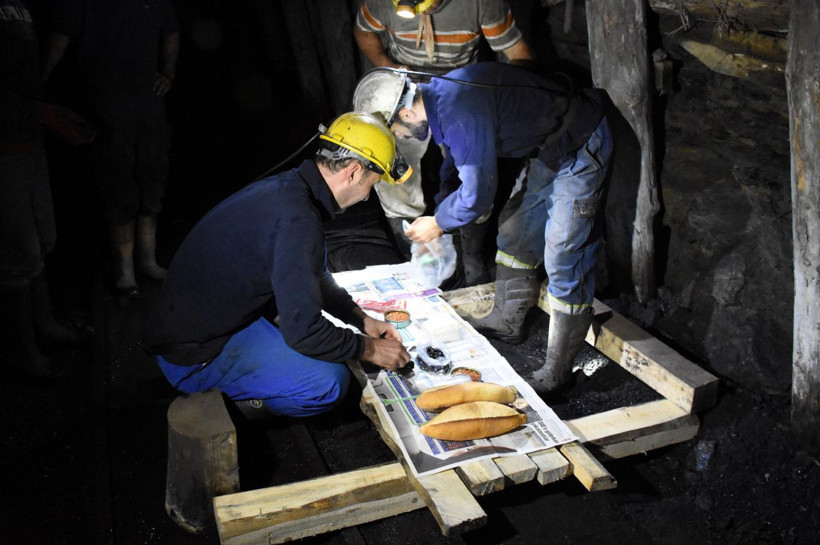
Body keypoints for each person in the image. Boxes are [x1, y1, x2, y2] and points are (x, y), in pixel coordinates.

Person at [353, 62, 613, 396]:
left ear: (404, 112)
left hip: (578, 141)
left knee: (564, 253)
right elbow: (456, 165)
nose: (400, 138)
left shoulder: (459, 113)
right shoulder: (439, 101)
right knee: (514, 232)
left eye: (395, 132)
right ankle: (507, 321)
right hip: (546, 150)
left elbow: (477, 196)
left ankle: (557, 372)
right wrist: (441, 207)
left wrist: (438, 223)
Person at [142, 112, 412, 417]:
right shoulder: (298, 222)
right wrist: (372, 349)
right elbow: (305, 332)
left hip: (197, 321)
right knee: (329, 383)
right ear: (352, 172)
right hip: (193, 354)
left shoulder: (290, 189)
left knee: (308, 324)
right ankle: (224, 408)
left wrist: (362, 321)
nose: (366, 198)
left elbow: (316, 275)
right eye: (371, 185)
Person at [353, 0, 533, 285]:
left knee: (468, 176)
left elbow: (518, 54)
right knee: (394, 172)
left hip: (458, 93)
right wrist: (391, 69)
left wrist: (505, 106)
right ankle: (413, 254)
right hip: (402, 90)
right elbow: (363, 31)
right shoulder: (383, 3)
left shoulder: (480, 4)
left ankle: (472, 262)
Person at [42, 0, 179, 306]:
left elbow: (171, 30)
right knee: (118, 186)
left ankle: (148, 261)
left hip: (148, 105)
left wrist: (168, 72)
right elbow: (58, 41)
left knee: (151, 179)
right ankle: (125, 273)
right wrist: (37, 86)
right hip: (106, 105)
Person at [0, 0, 89, 378]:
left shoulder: (18, 7)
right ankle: (26, 353)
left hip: (29, 143)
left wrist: (51, 112)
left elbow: (27, 75)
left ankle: (46, 324)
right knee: (18, 254)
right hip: (4, 151)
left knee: (42, 237)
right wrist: (37, 112)